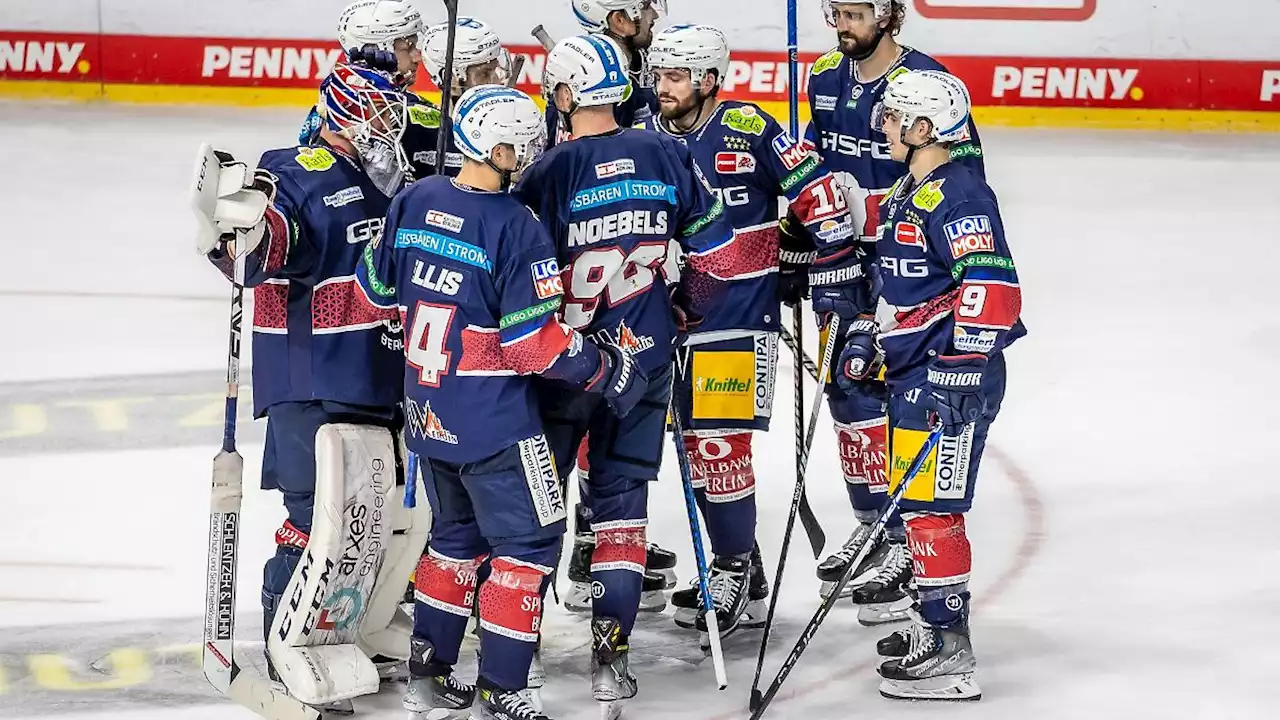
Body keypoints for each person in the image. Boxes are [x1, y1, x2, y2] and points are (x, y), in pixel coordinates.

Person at [355, 84, 649, 720]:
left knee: (454, 542)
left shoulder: (413, 197)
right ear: (496, 145)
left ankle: (428, 677)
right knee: (530, 546)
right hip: (498, 426)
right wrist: (602, 364)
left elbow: (374, 291)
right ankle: (503, 689)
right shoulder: (517, 226)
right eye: (521, 140)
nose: (532, 149)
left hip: (427, 414)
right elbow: (532, 346)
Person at [512, 33, 740, 719]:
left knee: (533, 519)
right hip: (645, 365)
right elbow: (720, 258)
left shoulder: (547, 173)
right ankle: (611, 663)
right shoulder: (668, 152)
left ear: (562, 96)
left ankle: (514, 668)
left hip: (566, 370)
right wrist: (681, 310)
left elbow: (521, 281)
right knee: (622, 515)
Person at [193, 63, 423, 713]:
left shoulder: (389, 184)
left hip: (377, 372)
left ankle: (348, 628)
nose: (390, 126)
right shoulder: (295, 167)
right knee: (312, 517)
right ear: (346, 112)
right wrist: (246, 230)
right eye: (378, 115)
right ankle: (282, 639)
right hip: (312, 375)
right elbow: (267, 241)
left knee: (374, 519)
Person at [641, 23, 857, 637]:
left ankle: (733, 566)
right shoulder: (642, 137)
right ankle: (747, 564)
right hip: (660, 320)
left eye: (676, 77)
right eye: (659, 75)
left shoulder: (750, 129)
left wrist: (828, 262)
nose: (664, 88)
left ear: (710, 80)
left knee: (718, 449)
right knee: (686, 450)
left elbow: (818, 191)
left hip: (737, 320)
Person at [830, 69, 1022, 701]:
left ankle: (950, 649)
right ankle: (929, 623)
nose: (878, 126)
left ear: (921, 128)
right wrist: (866, 332)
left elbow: (991, 289)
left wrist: (961, 370)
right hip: (918, 370)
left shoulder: (959, 195)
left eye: (890, 118)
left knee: (934, 512)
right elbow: (903, 284)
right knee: (915, 509)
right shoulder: (916, 188)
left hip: (948, 377)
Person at [805, 0, 987, 625]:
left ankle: (911, 539)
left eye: (856, 13)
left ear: (889, 16)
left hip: (903, 267)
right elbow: (815, 170)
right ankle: (874, 525)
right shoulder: (824, 76)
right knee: (847, 391)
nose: (843, 25)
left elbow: (962, 181)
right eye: (836, 12)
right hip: (840, 263)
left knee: (907, 398)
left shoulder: (928, 87)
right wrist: (806, 238)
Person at [300, 0, 448, 184]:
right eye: (408, 47)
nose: (418, 56)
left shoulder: (335, 98)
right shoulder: (349, 104)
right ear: (378, 49)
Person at [545, 0, 665, 149]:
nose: (653, 15)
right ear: (619, 20)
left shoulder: (648, 63)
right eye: (645, 7)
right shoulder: (586, 82)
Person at [419, 16, 516, 175]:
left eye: (495, 69)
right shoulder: (424, 135)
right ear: (451, 79)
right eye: (485, 73)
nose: (497, 80)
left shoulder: (515, 127)